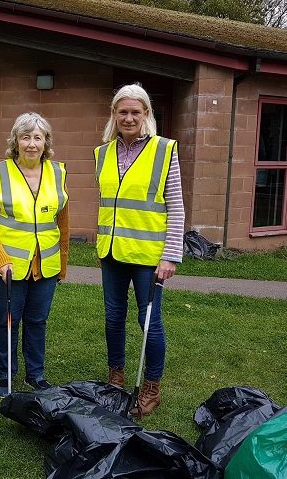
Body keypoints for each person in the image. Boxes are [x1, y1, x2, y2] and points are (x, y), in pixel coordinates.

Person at [94, 83, 185, 416]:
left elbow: (176, 205)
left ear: (146, 114)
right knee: (113, 317)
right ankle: (116, 376)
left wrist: (171, 255)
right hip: (112, 253)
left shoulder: (164, 150)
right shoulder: (102, 152)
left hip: (149, 257)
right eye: (123, 111)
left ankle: (151, 386)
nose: (129, 117)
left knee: (150, 322)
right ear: (114, 114)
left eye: (135, 111)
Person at [0, 112, 69, 398]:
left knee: (37, 321)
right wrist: (0, 258)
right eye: (25, 137)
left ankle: (36, 375)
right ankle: (6, 376)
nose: (31, 144)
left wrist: (62, 264)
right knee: (8, 320)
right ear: (16, 142)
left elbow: (63, 222)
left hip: (45, 264)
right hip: (7, 266)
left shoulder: (58, 173)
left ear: (46, 143)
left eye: (37, 138)